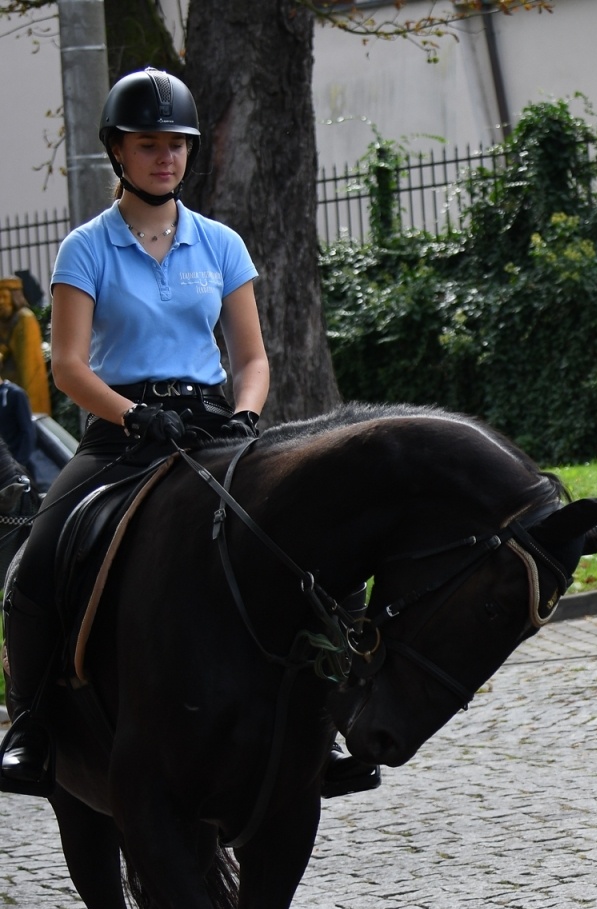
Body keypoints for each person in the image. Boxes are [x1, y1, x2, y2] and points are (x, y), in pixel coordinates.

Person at [0, 67, 375, 799]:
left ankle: (331, 720)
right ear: (117, 151)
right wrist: (133, 415)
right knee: (40, 563)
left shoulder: (221, 243)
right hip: (120, 435)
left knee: (312, 553)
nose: (165, 158)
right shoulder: (86, 247)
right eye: (148, 145)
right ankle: (34, 727)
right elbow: (70, 366)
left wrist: (244, 416)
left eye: (176, 145)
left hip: (212, 428)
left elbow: (254, 357)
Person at [0, 275, 50, 416]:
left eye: (4, 297)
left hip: (23, 392)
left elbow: (29, 367)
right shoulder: (2, 322)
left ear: (14, 297)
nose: (0, 302)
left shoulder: (24, 319)